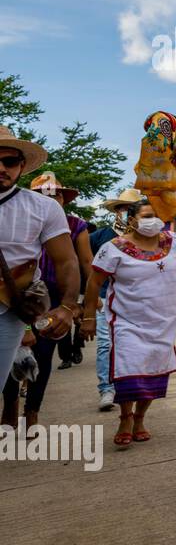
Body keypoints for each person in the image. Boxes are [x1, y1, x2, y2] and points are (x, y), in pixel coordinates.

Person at [80, 197, 176, 448]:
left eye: (157, 215)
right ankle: (125, 418)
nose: (154, 220)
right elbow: (94, 282)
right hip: (127, 322)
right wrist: (89, 317)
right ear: (132, 220)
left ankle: (140, 418)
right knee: (129, 373)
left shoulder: (175, 242)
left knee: (153, 373)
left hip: (164, 322)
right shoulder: (113, 248)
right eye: (147, 216)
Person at [0, 127, 79, 434]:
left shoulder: (43, 208)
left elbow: (67, 260)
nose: (1, 168)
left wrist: (69, 307)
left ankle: (25, 412)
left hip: (11, 311)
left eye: (9, 161)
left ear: (21, 166)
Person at [28, 175, 93, 371]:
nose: (50, 200)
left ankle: (33, 402)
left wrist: (89, 301)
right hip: (22, 291)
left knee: (44, 350)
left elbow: (86, 262)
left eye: (56, 195)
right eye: (42, 195)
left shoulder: (76, 225)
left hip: (59, 293)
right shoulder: (21, 220)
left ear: (63, 199)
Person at [88, 189, 143, 411]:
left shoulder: (147, 239)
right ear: (116, 211)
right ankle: (106, 389)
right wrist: (88, 303)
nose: (126, 212)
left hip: (135, 302)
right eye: (122, 208)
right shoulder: (99, 236)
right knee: (105, 344)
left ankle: (129, 387)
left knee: (132, 346)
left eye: (131, 208)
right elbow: (85, 265)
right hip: (104, 299)